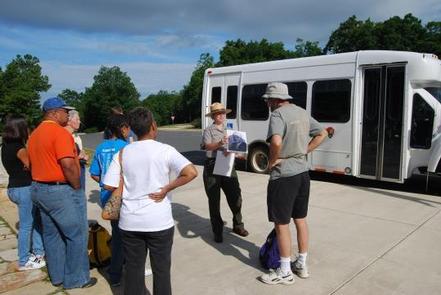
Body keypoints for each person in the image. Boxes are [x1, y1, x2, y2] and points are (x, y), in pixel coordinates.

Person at [103, 107, 197, 295]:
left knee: (133, 270)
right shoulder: (165, 150)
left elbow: (108, 185)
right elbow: (191, 172)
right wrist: (167, 188)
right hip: (159, 221)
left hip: (130, 222)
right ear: (153, 126)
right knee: (161, 271)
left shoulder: (123, 153)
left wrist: (124, 180)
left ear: (131, 129)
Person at [259, 82, 327, 285]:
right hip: (303, 174)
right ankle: (302, 264)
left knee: (281, 223)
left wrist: (272, 162)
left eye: (268, 100)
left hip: (284, 176)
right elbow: (322, 133)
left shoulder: (278, 115)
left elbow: (277, 142)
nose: (267, 103)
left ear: (275, 99)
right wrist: (304, 151)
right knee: (300, 219)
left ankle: (285, 270)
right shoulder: (301, 112)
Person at [28, 97, 96, 289]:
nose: (67, 114)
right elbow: (68, 164)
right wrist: (76, 187)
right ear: (55, 113)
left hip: (38, 188)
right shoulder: (59, 133)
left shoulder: (35, 134)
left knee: (52, 234)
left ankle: (57, 276)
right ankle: (77, 279)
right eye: (65, 111)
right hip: (59, 190)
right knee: (76, 234)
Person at [89, 113, 130, 287]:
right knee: (125, 235)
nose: (129, 131)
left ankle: (121, 265)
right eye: (127, 127)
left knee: (117, 231)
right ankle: (116, 273)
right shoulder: (125, 147)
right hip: (122, 196)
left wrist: (106, 183)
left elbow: (94, 173)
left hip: (106, 196)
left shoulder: (99, 148)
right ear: (122, 128)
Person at [0, 116, 45, 271]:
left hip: (14, 187)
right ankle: (24, 260)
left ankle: (39, 251)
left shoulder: (5, 146)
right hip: (24, 188)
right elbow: (33, 166)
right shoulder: (19, 148)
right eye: (26, 127)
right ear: (20, 129)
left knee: (35, 220)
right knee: (26, 225)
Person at [201, 102, 249, 243]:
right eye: (217, 113)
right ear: (213, 116)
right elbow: (207, 146)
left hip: (228, 166)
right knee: (214, 201)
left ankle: (238, 225)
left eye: (223, 113)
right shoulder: (208, 131)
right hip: (212, 167)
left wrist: (240, 153)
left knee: (236, 197)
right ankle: (217, 230)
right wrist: (220, 143)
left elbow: (239, 148)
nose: (221, 115)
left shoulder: (231, 130)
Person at [65, 110, 88, 190]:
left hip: (80, 169)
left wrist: (83, 156)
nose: (79, 121)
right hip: (73, 173)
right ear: (68, 121)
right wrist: (78, 158)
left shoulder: (76, 137)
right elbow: (66, 162)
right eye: (77, 119)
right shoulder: (65, 137)